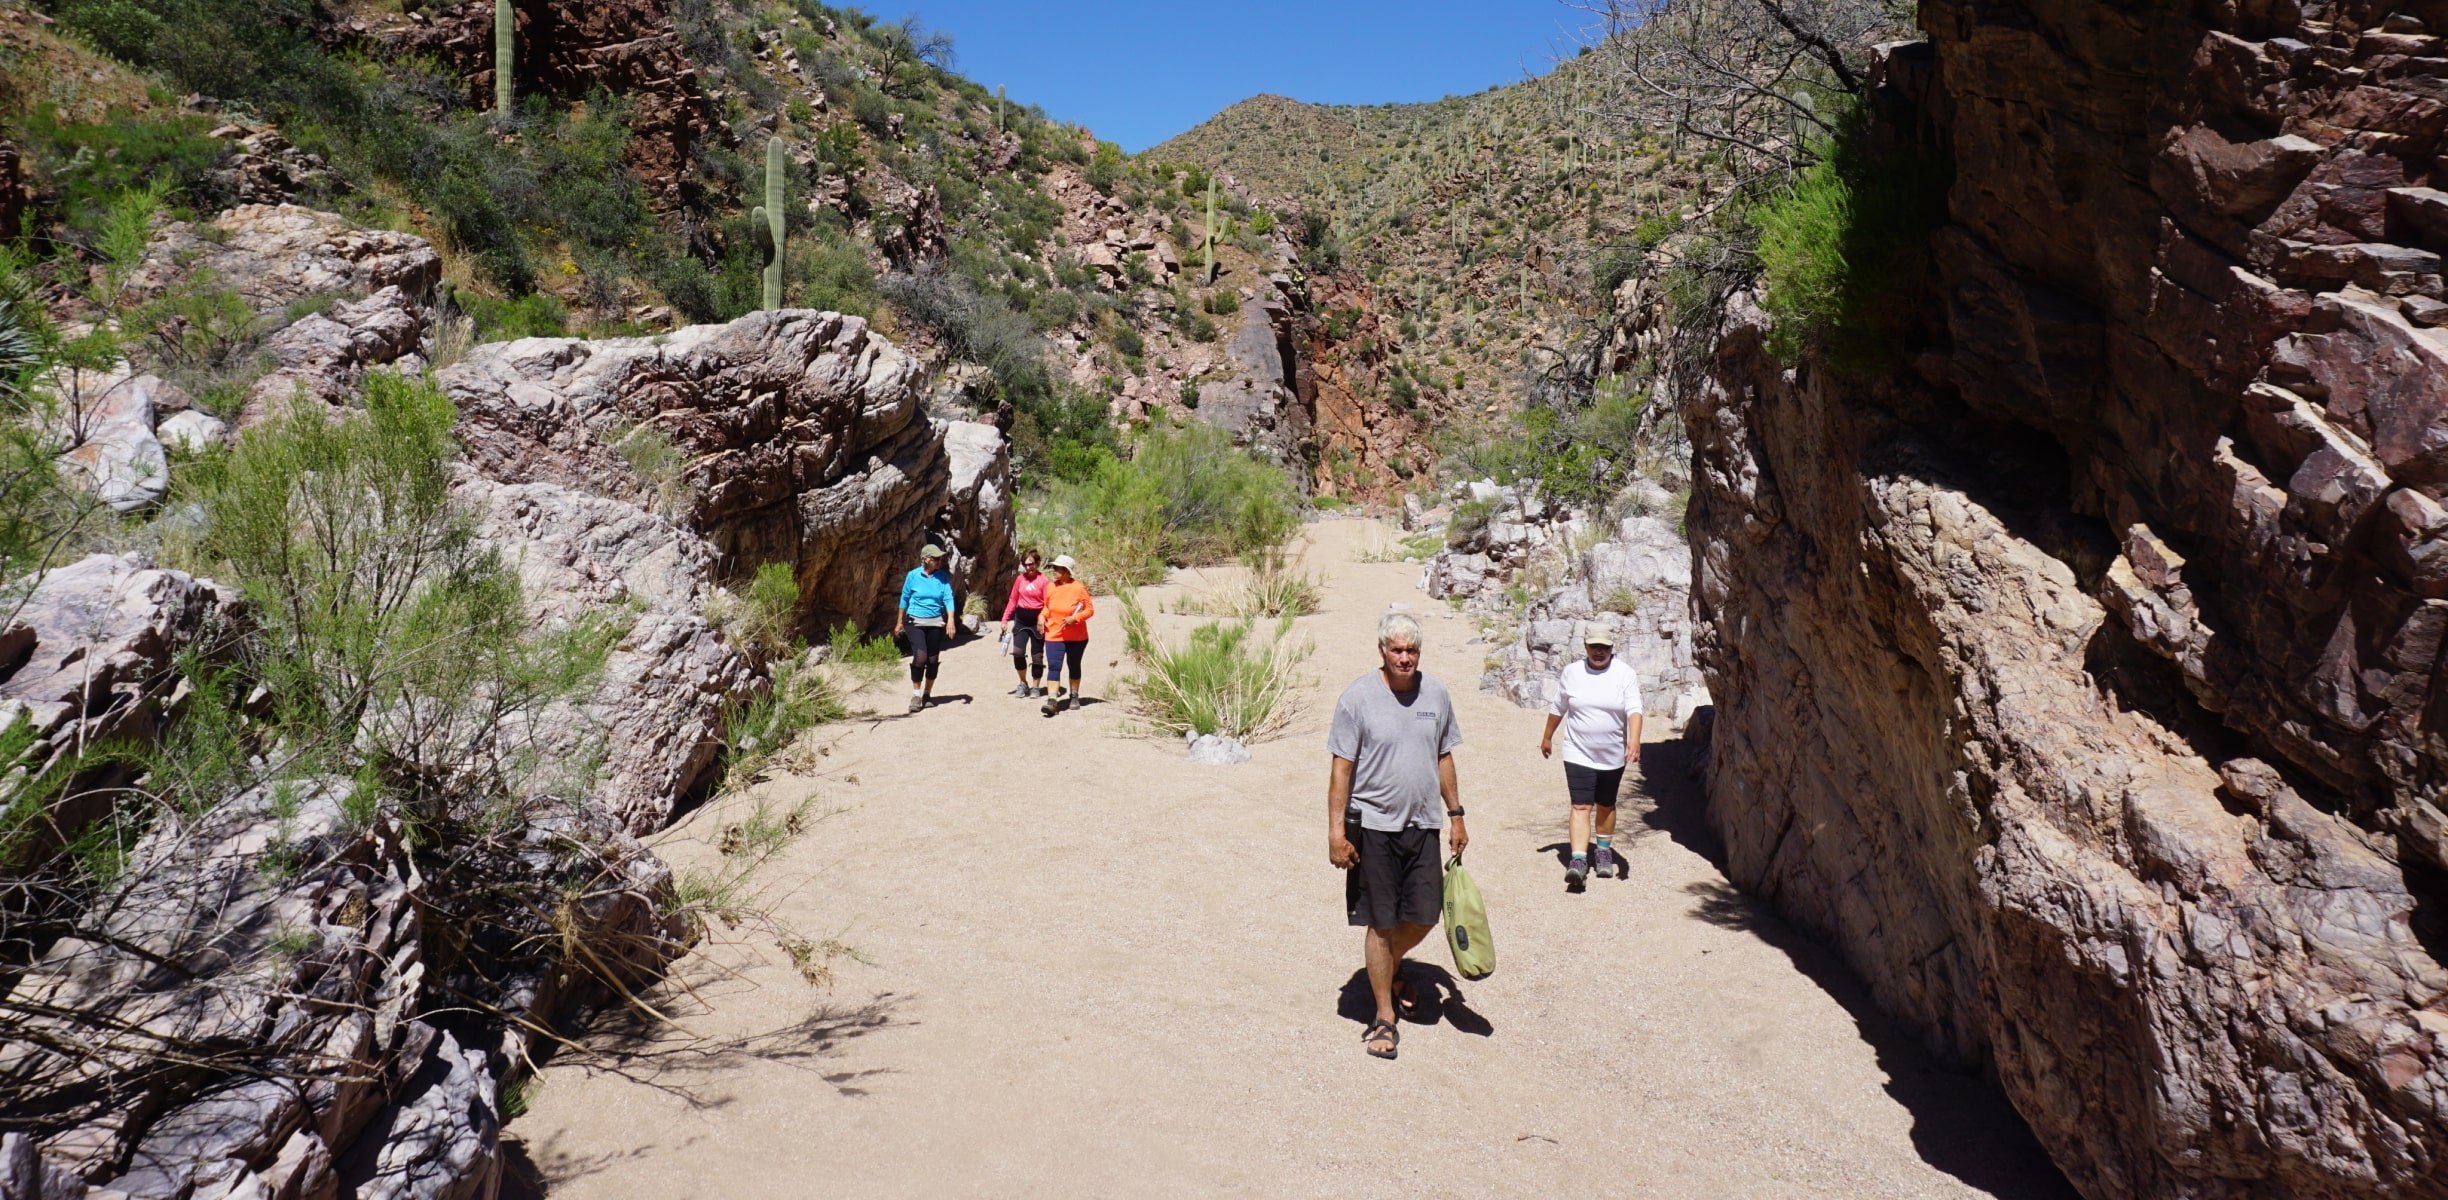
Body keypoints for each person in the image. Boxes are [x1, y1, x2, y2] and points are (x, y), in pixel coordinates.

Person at [1327, 610, 1465, 1061]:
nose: (1404, 658)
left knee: (1425, 915)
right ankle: (1384, 1014)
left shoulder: (1436, 693)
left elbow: (1443, 755)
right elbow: (1341, 769)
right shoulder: (1358, 699)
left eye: (1411, 650)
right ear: (1382, 651)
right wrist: (1335, 832)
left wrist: (1457, 814)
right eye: (1396, 649)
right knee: (1381, 922)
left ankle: (1389, 965)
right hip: (1374, 828)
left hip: (1423, 823)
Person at [1539, 624, 1643, 888]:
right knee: (1581, 805)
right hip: (1578, 750)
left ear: (1612, 648)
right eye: (1594, 646)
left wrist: (1634, 740)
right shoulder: (1571, 672)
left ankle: (1604, 850)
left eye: (1605, 647)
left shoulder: (1625, 674)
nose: (1599, 651)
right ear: (1585, 646)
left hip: (1611, 753)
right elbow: (1558, 706)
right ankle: (1578, 860)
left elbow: (1634, 709)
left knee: (1606, 804)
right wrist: (1547, 736)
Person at [894, 543, 956, 714]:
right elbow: (904, 599)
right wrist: (899, 622)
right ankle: (916, 695)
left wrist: (950, 620)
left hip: (935, 621)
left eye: (939, 558)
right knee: (920, 657)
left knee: (933, 660)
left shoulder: (942, 577)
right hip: (915, 621)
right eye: (935, 558)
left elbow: (948, 599)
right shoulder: (913, 576)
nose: (938, 561)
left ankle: (927, 694)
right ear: (925, 559)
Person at [1038, 555, 1094, 715]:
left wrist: (1074, 618)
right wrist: (1041, 616)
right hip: (1054, 634)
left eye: (1057, 568)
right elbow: (1047, 607)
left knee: (1074, 666)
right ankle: (1052, 701)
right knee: (1054, 666)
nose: (1053, 570)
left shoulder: (1079, 588)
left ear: (1066, 571)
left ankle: (1074, 695)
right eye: (1053, 567)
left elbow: (1089, 610)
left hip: (1077, 637)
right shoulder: (1050, 587)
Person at [1001, 549, 1050, 698]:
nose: (1028, 567)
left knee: (1037, 655)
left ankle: (1036, 686)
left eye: (1031, 564)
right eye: (1025, 564)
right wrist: (1005, 619)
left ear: (1037, 563)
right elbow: (1013, 599)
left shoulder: (1044, 581)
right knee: (1018, 652)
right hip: (1021, 619)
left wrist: (1043, 618)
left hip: (1037, 620)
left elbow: (1048, 603)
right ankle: (1023, 683)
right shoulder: (1020, 580)